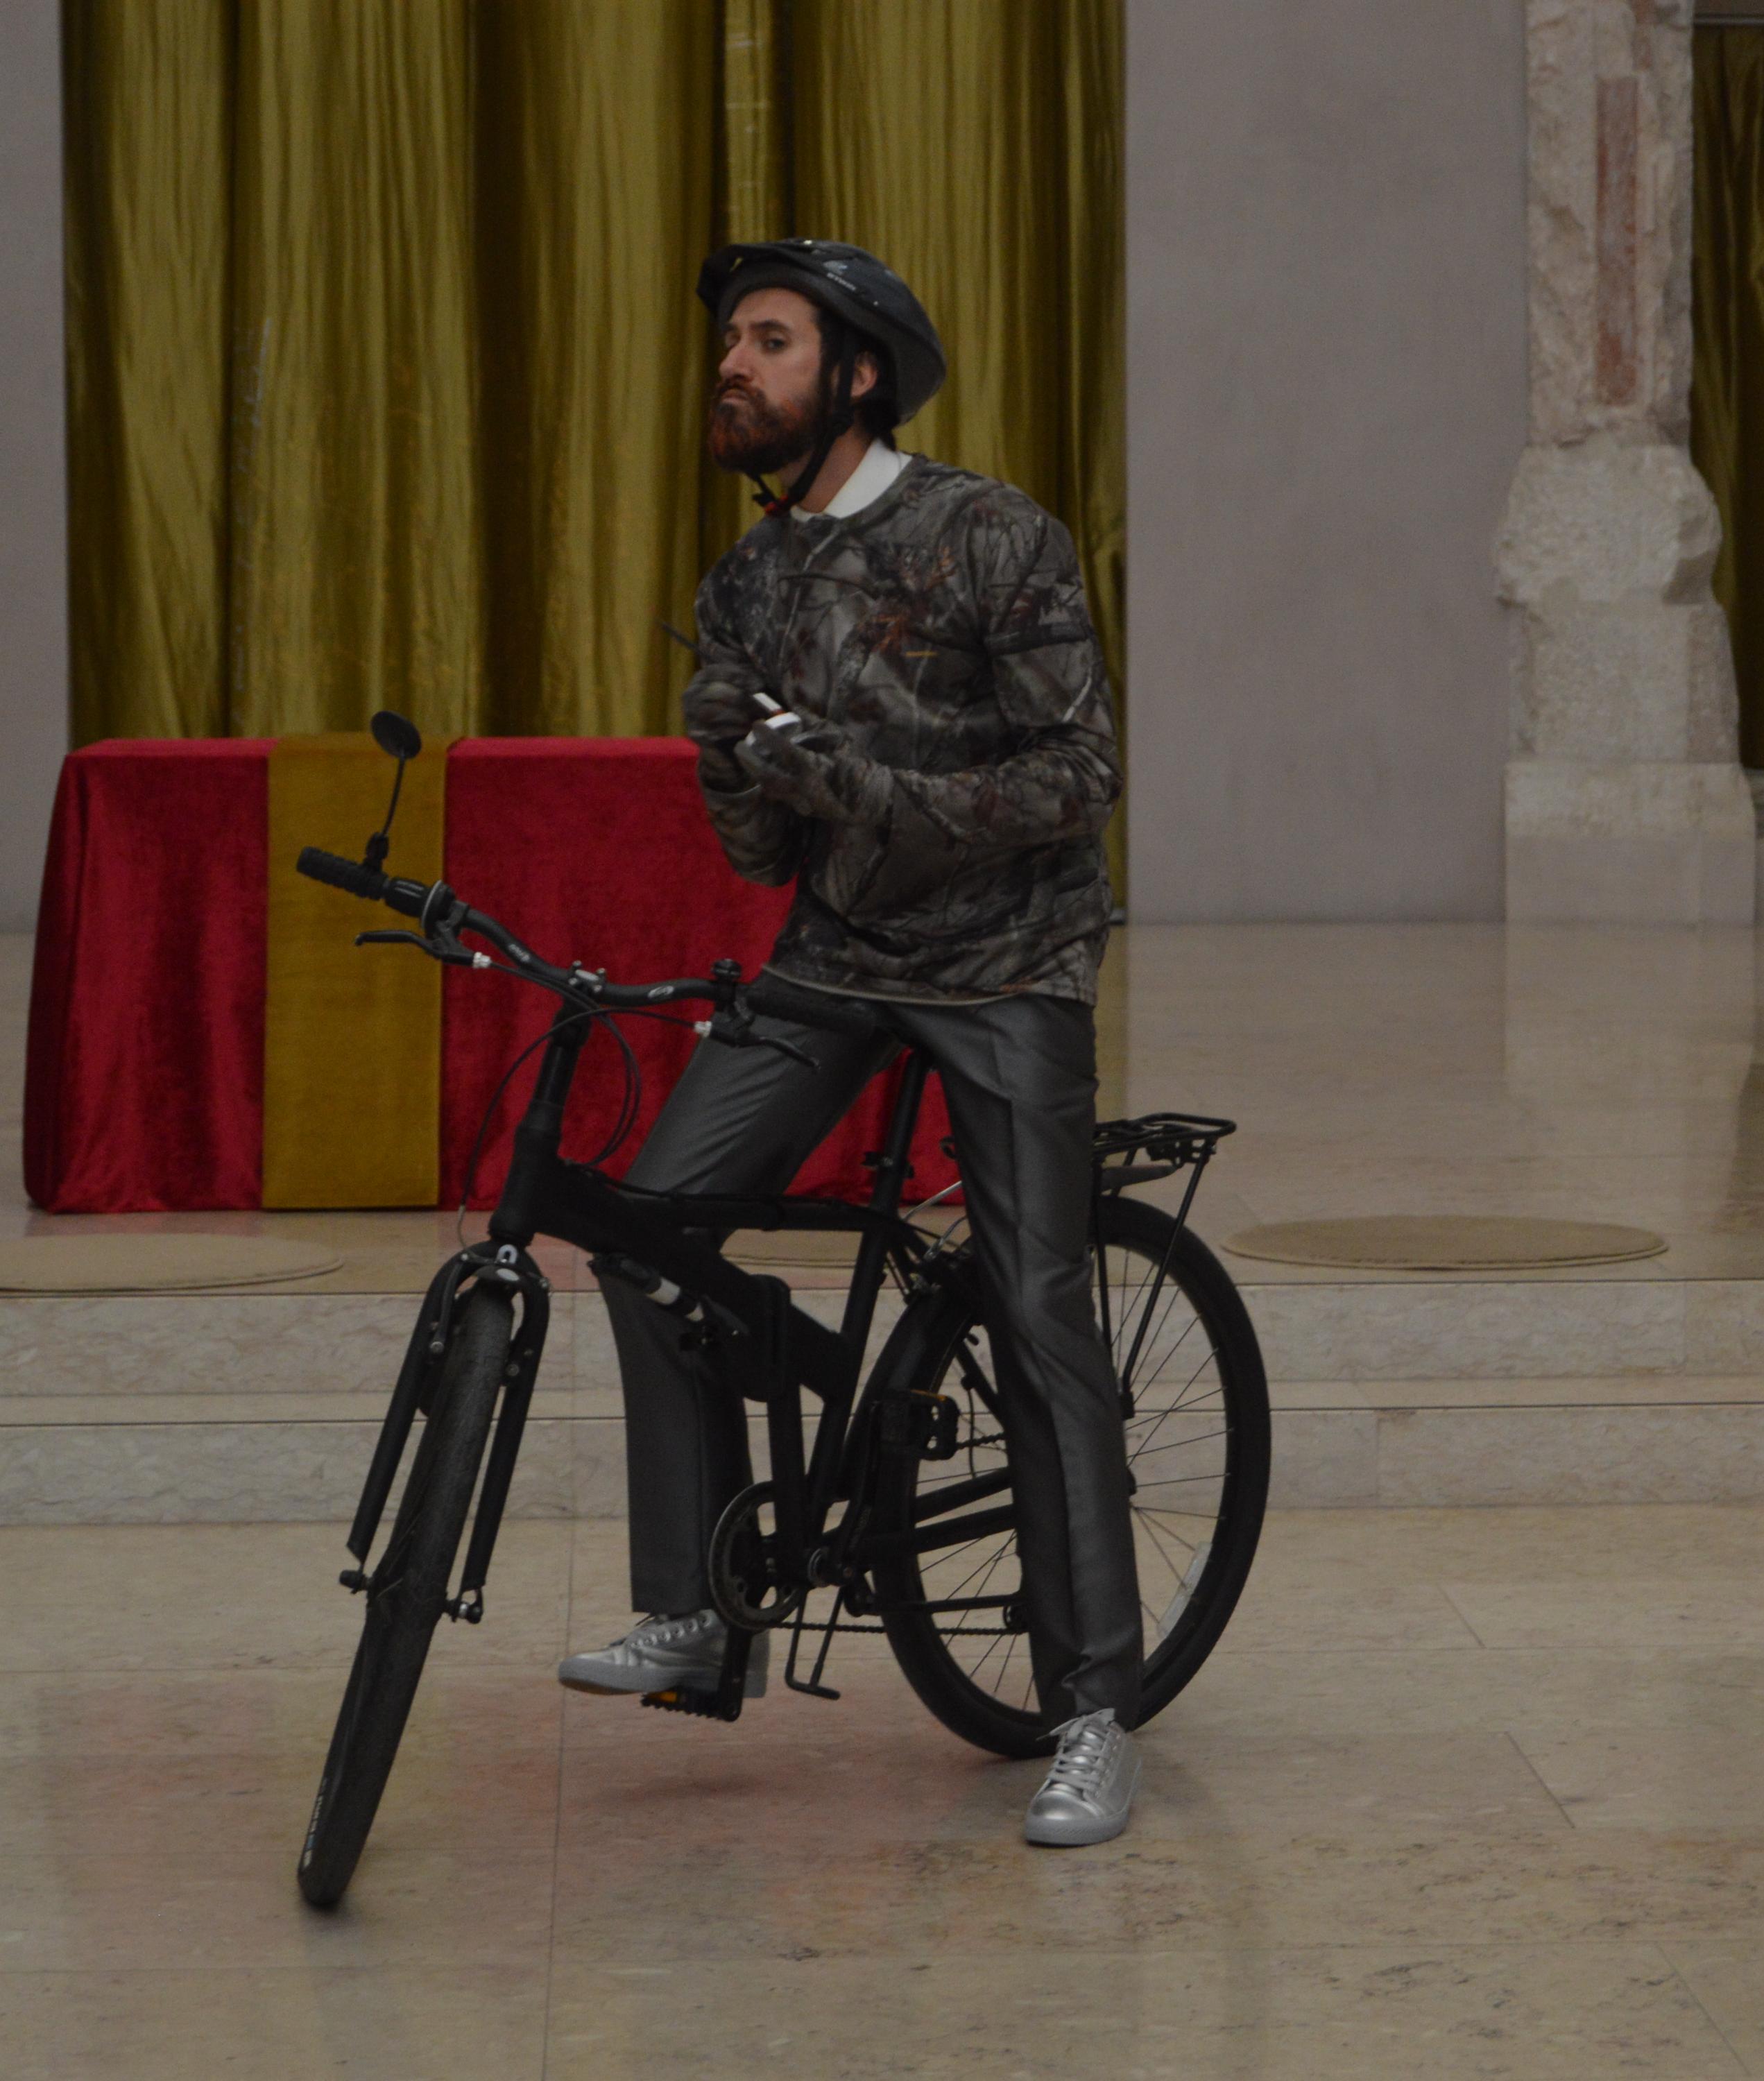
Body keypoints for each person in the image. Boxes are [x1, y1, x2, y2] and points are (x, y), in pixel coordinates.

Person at [554, 240, 1142, 1849]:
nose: (730, 368)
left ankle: (1092, 1705)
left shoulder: (986, 535)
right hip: (836, 956)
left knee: (1033, 1307)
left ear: (856, 373)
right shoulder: (745, 580)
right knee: (643, 1232)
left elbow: (1077, 778)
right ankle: (696, 1608)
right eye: (728, 344)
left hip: (1008, 964)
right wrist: (734, 766)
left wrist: (850, 784)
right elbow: (759, 859)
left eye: (767, 341)